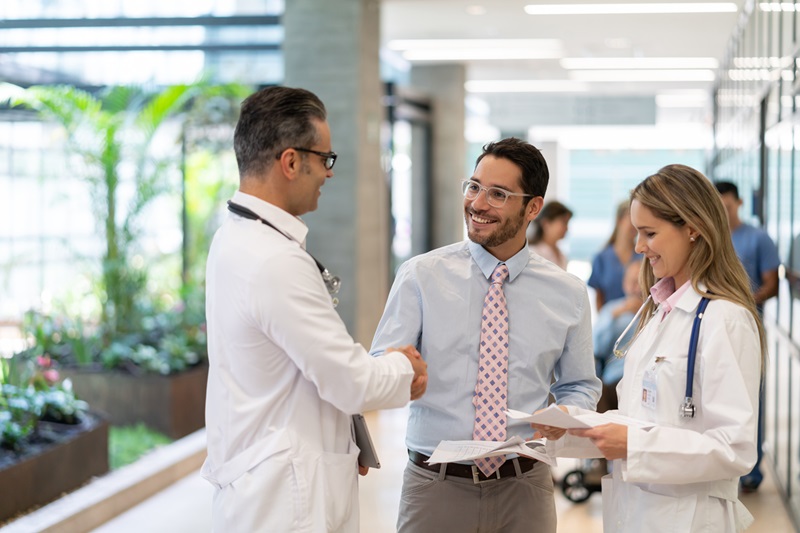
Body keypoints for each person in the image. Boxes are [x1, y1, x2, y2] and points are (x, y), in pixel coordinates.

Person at [201, 86, 428, 533]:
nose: (328, 173)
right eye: (325, 159)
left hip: (265, 479)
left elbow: (303, 365)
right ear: (290, 162)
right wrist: (404, 367)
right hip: (286, 500)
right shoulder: (275, 261)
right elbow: (350, 381)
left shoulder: (234, 238)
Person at [370, 138, 601, 533]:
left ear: (533, 207)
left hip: (525, 486)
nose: (477, 203)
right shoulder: (421, 276)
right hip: (435, 486)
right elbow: (380, 370)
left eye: (498, 194)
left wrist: (567, 414)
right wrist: (400, 374)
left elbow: (580, 385)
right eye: (474, 186)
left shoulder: (568, 292)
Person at [538, 164, 764, 532]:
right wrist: (571, 428)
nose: (639, 247)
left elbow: (734, 449)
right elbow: (641, 420)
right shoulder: (659, 312)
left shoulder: (725, 319)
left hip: (690, 518)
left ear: (693, 228)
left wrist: (633, 446)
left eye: (649, 233)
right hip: (638, 512)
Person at [715, 180, 780, 493]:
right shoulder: (709, 237)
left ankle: (750, 473)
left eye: (727, 206)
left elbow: (773, 283)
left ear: (738, 203)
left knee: (752, 398)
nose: (723, 213)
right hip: (715, 329)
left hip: (750, 325)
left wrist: (741, 301)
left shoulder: (758, 238)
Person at [593, 260, 642, 413]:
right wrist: (614, 317)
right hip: (612, 379)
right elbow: (596, 347)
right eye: (632, 282)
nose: (636, 288)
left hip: (640, 379)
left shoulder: (656, 311)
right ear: (624, 284)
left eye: (640, 282)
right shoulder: (611, 310)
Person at [587, 199, 641, 311]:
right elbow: (599, 301)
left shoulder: (644, 256)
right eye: (631, 218)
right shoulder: (601, 258)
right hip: (611, 322)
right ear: (619, 220)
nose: (635, 224)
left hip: (639, 320)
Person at [528, 200, 573, 270]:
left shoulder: (561, 254)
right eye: (564, 222)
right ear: (546, 223)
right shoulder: (534, 253)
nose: (567, 228)